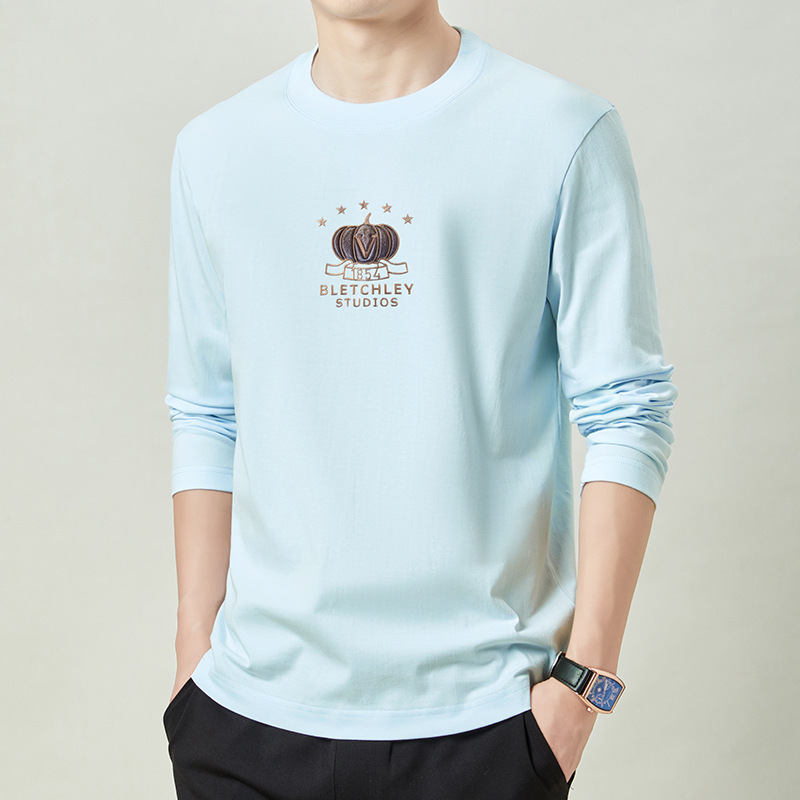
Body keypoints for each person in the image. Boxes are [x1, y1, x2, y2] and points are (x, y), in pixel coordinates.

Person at [161, 2, 678, 798]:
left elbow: (628, 408)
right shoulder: (217, 149)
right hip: (244, 719)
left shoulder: (562, 132)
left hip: (488, 724)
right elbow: (207, 412)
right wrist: (192, 659)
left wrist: (583, 686)